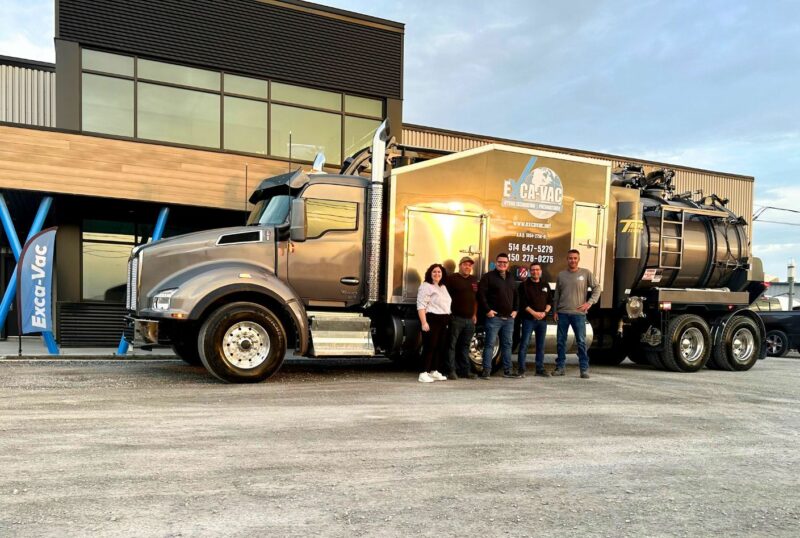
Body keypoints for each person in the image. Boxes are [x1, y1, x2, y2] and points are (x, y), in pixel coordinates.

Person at [553, 249, 601, 379]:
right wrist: (555, 311)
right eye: (570, 258)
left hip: (578, 314)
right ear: (567, 259)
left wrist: (589, 303)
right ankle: (560, 367)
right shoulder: (561, 275)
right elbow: (557, 294)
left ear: (578, 259)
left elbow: (597, 288)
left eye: (575, 258)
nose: (572, 260)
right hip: (562, 313)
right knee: (560, 342)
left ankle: (584, 369)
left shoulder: (586, 273)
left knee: (581, 342)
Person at [477, 253, 519, 379]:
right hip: (494, 318)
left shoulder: (511, 277)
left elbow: (516, 296)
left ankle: (508, 371)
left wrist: (516, 310)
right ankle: (486, 371)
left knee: (507, 345)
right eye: (500, 262)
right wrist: (487, 310)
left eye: (505, 262)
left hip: (509, 319)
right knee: (490, 344)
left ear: (508, 264)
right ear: (496, 263)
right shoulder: (488, 277)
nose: (502, 264)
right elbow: (481, 295)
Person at [417, 263, 452, 383]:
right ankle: (423, 372)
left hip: (443, 319)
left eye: (439, 272)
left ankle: (434, 371)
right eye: (434, 272)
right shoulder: (426, 286)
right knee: (429, 346)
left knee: (440, 346)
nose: (437, 274)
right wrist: (424, 322)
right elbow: (421, 305)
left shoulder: (442, 287)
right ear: (430, 274)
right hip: (432, 319)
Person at [445, 256, 479, 380]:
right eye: (465, 264)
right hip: (456, 318)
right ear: (460, 266)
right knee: (452, 345)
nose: (467, 267)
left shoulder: (473, 280)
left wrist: (474, 314)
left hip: (470, 320)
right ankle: (451, 371)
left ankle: (465, 371)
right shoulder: (452, 279)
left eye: (470, 265)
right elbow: (444, 297)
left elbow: (475, 299)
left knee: (465, 346)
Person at [517, 263, 553, 378]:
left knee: (540, 345)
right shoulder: (524, 285)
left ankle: (540, 369)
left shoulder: (545, 285)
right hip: (528, 320)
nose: (535, 272)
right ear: (529, 271)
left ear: (540, 271)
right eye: (532, 270)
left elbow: (550, 302)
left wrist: (545, 313)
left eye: (537, 270)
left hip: (542, 320)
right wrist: (534, 313)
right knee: (524, 345)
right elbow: (522, 304)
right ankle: (521, 370)